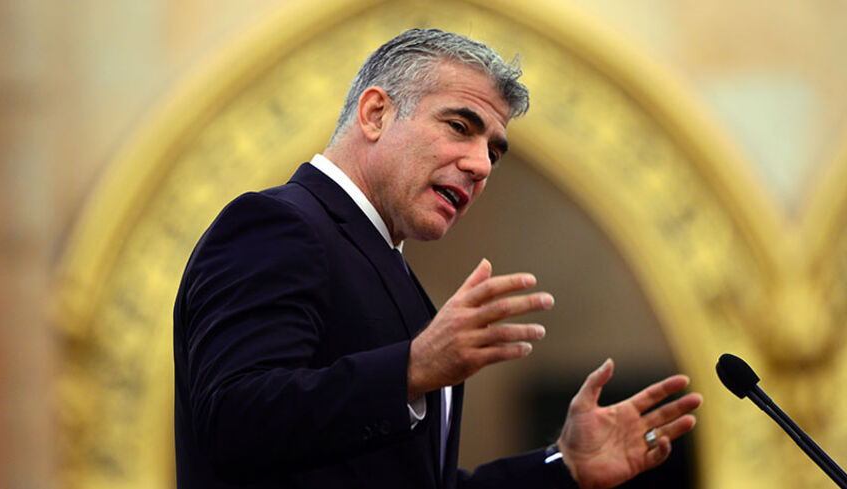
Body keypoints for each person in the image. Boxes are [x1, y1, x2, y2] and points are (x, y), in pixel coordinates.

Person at [173, 28, 702, 489]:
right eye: (460, 127)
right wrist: (410, 369)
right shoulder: (278, 225)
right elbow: (233, 423)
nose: (480, 166)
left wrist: (564, 469)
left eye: (494, 150)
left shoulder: (392, 271)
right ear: (376, 113)